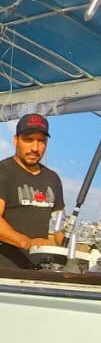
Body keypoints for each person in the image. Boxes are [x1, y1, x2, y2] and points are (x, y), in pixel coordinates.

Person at [0, 113, 66, 271]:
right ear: (16, 140)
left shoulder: (53, 178)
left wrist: (76, 250)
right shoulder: (3, 171)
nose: (35, 148)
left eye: (41, 141)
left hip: (40, 273)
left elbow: (57, 228)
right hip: (6, 274)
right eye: (28, 140)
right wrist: (27, 242)